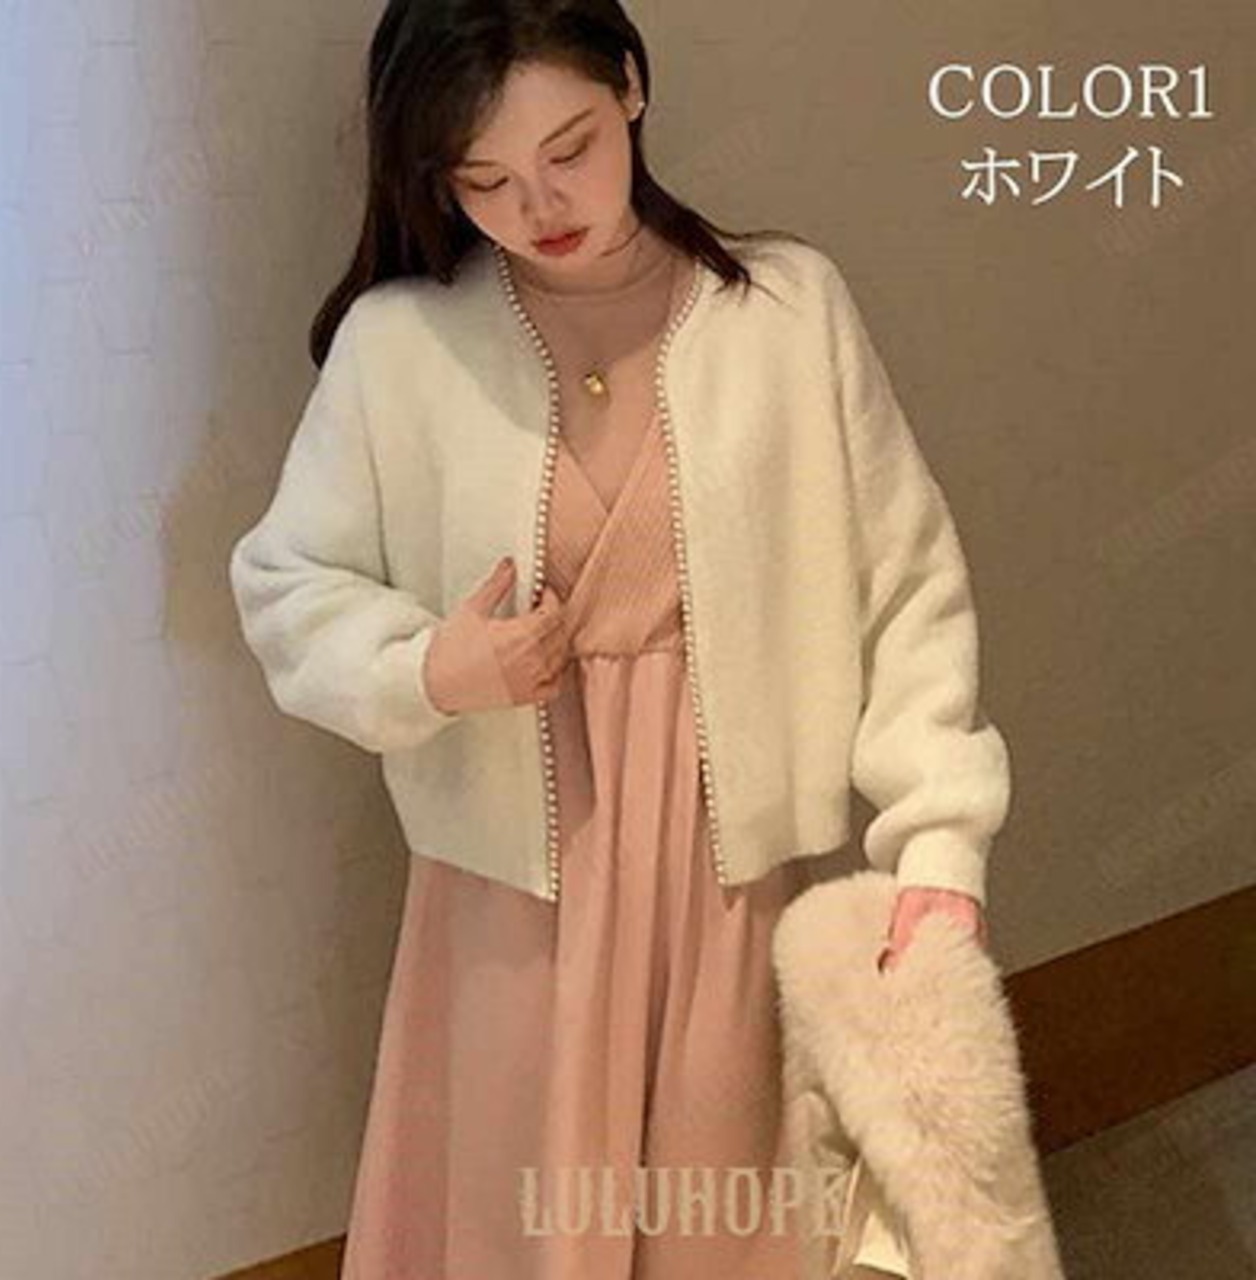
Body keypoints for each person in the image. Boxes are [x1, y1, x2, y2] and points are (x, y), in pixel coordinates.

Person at [228, 2, 1010, 1276]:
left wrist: (938, 840)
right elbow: (284, 583)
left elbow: (904, 587)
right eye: (482, 178)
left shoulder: (785, 312)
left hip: (725, 868)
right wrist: (428, 666)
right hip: (505, 886)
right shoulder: (402, 345)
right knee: (512, 1220)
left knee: (727, 1216)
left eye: (569, 148)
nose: (537, 205)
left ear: (631, 89)